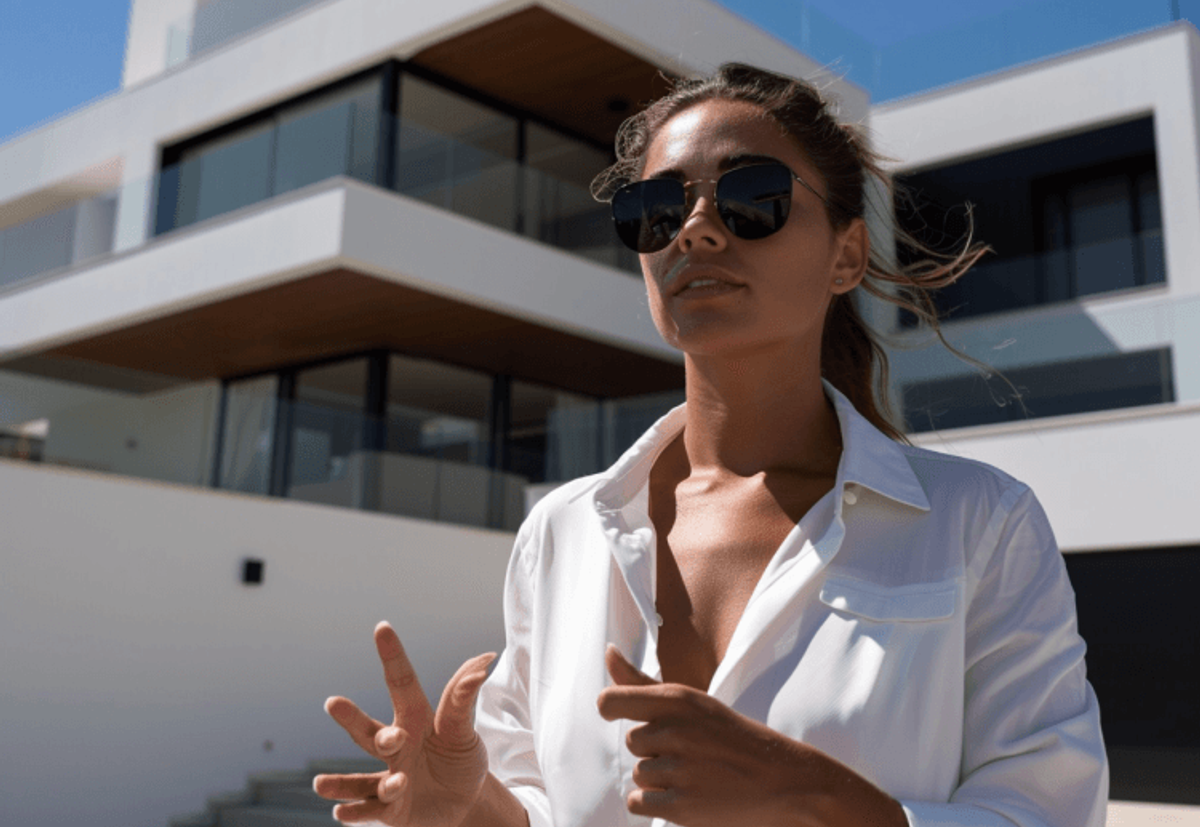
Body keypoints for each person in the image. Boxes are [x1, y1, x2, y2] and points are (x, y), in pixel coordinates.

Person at [314, 63, 1109, 827]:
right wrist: (467, 810)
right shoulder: (561, 532)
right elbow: (546, 810)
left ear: (847, 255)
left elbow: (1051, 811)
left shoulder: (981, 523)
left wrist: (813, 802)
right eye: (657, 209)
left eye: (751, 196)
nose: (694, 230)